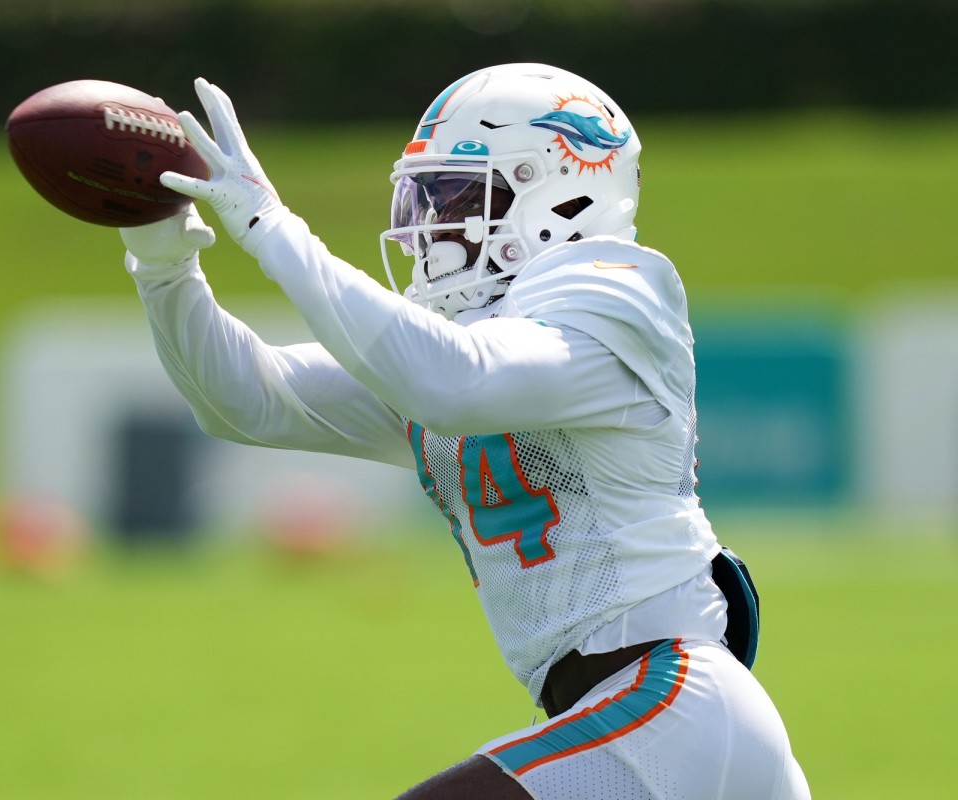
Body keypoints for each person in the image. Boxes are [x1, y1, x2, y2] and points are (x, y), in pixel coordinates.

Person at [118, 64, 811, 799]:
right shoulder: (457, 344)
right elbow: (242, 400)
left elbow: (458, 382)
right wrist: (164, 267)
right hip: (626, 721)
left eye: (456, 195)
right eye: (424, 196)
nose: (428, 223)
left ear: (558, 191)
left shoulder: (617, 285)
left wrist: (271, 226)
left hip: (673, 706)